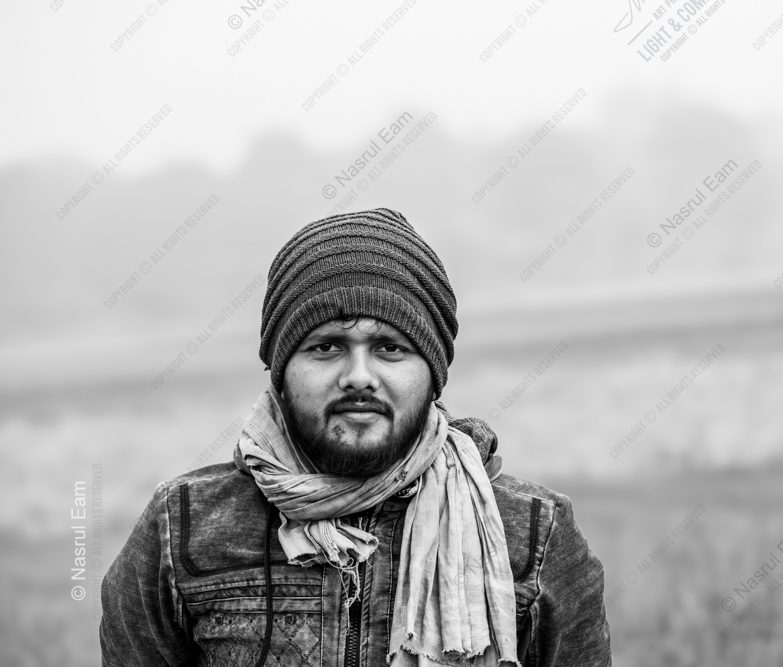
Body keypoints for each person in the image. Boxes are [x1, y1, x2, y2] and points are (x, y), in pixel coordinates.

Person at [100, 208, 611, 666]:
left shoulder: (534, 535)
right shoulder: (181, 530)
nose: (359, 376)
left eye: (390, 348)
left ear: (433, 374)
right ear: (280, 374)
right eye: (326, 346)